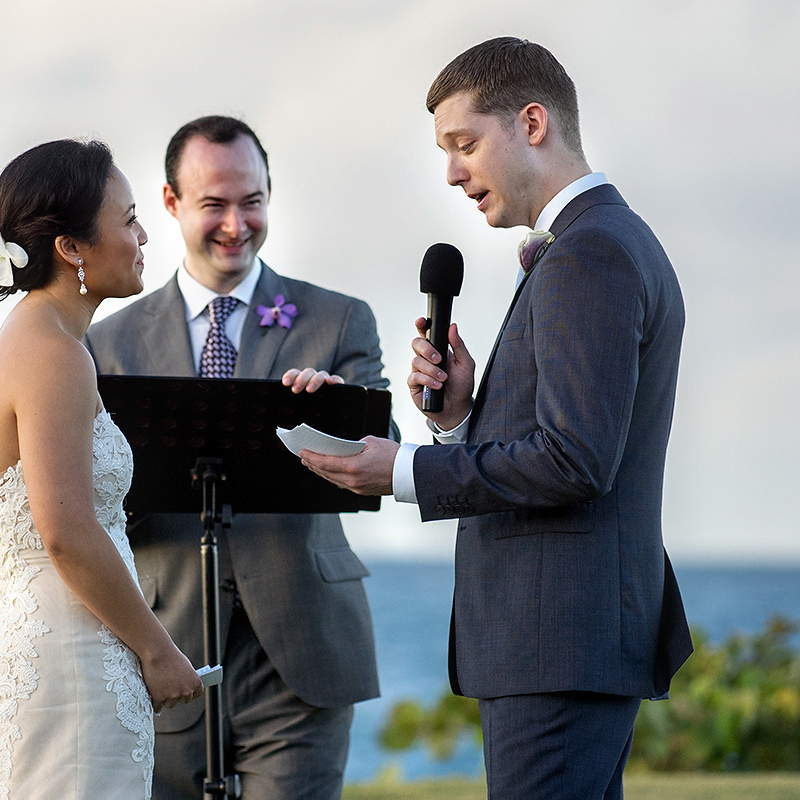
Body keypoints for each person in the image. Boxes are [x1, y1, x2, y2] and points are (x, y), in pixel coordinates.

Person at [299, 38, 693, 799]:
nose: (450, 171)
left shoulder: (590, 254)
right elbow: (569, 441)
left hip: (557, 641)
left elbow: (575, 460)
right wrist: (459, 419)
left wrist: (404, 469)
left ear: (533, 123)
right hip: (567, 640)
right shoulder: (593, 243)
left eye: (465, 143)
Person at [85, 116, 395, 800]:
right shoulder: (106, 342)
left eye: (251, 202)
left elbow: (380, 460)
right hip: (166, 645)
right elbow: (91, 500)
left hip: (302, 650)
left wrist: (342, 416)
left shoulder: (339, 321)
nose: (235, 224)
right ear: (170, 203)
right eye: (213, 205)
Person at [0, 139, 203, 800]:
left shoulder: (36, 342)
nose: (143, 233)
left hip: (52, 647)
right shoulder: (52, 355)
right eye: (127, 218)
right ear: (72, 248)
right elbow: (65, 532)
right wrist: (158, 650)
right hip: (71, 664)